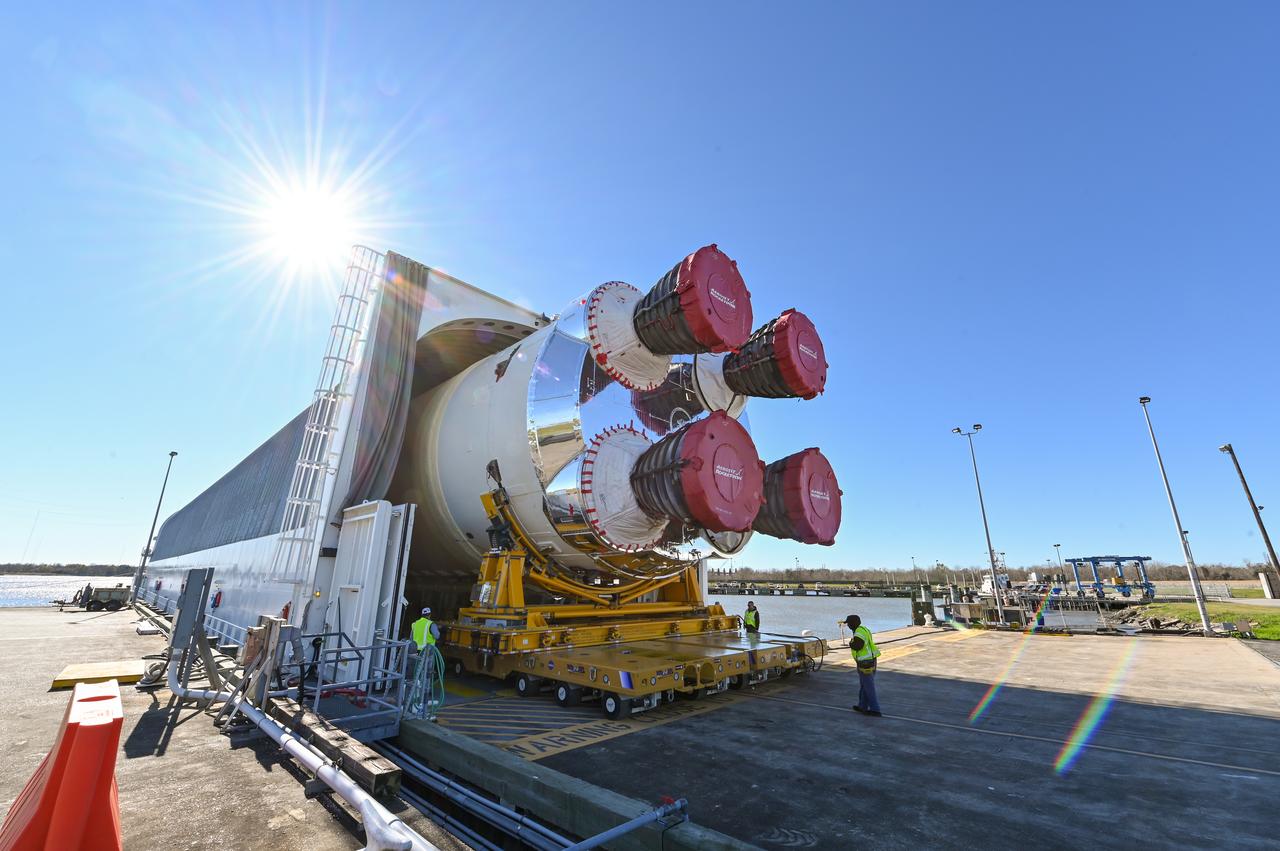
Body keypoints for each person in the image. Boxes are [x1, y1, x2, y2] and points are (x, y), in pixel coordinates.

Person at [845, 614, 882, 717]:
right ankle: (862, 706)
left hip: (865, 663)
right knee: (864, 685)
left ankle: (875, 709)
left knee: (869, 687)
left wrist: (850, 643)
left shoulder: (858, 633)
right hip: (871, 660)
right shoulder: (863, 629)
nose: (847, 625)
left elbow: (858, 646)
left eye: (848, 623)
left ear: (852, 623)